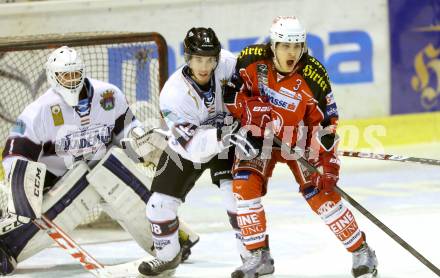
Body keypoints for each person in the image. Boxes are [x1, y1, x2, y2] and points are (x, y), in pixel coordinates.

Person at [0, 46, 198, 275]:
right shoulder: (39, 112)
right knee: (82, 177)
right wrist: (23, 187)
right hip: (61, 182)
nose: (72, 80)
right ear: (53, 77)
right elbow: (15, 153)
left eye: (76, 73)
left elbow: (129, 135)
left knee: (111, 169)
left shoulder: (109, 95)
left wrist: (143, 144)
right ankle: (6, 246)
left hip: (107, 170)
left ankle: (171, 241)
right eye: (66, 75)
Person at [224, 16, 378, 278]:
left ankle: (362, 251)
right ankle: (258, 255)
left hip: (301, 139)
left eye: (297, 46)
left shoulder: (314, 75)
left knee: (322, 195)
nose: (292, 53)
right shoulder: (250, 60)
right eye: (285, 46)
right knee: (244, 184)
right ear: (273, 45)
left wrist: (329, 161)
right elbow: (231, 94)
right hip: (261, 138)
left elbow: (328, 123)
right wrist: (249, 111)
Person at [137, 27, 257, 277]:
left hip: (229, 139)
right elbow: (192, 148)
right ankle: (167, 257)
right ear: (188, 58)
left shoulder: (228, 64)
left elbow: (256, 91)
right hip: (191, 146)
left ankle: (252, 256)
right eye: (198, 59)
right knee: (158, 205)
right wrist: (223, 136)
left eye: (210, 60)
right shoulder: (173, 94)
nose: (205, 66)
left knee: (236, 197)